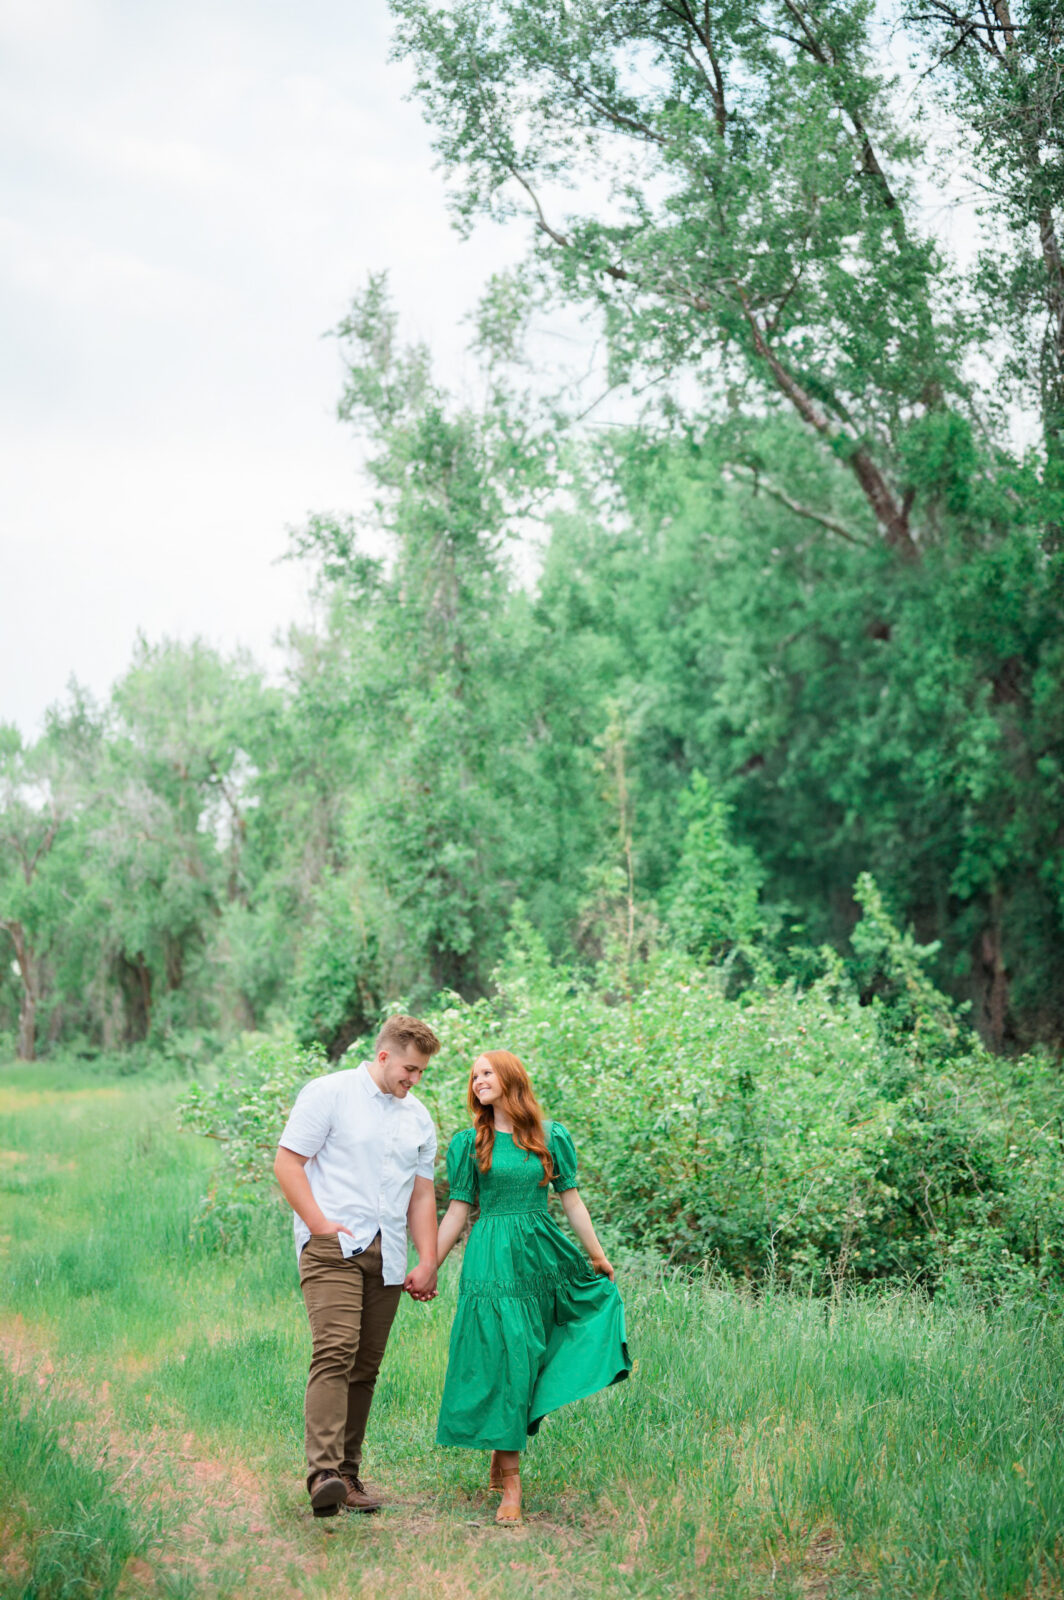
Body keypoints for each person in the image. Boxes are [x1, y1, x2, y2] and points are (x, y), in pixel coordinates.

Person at [435, 1050, 631, 1524]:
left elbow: (572, 1202)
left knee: (529, 1354)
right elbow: (458, 1212)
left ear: (509, 1078)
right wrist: (428, 1266)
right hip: (490, 1259)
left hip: (541, 1255)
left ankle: (503, 1451)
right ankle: (512, 1485)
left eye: (486, 1073)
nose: (478, 1081)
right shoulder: (469, 1142)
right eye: (474, 1076)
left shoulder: (549, 1136)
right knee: (505, 1354)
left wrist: (597, 1255)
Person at [274, 1014, 441, 1518]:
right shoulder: (329, 1093)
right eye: (409, 1068)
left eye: (422, 1073)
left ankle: (346, 1474)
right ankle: (321, 1473)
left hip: (388, 1254)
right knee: (336, 1348)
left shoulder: (419, 1118)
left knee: (365, 1365)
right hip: (334, 1247)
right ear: (384, 1055)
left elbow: (422, 1194)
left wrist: (427, 1258)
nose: (413, 1079)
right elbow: (288, 1162)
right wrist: (320, 1225)